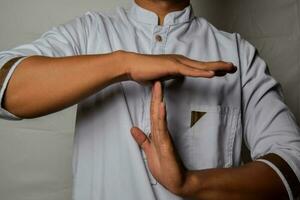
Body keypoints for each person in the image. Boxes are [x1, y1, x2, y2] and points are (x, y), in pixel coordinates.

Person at [0, 0, 299, 199]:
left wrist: (191, 184)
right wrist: (123, 65)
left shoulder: (237, 54)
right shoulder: (90, 33)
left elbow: (292, 163)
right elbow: (6, 89)